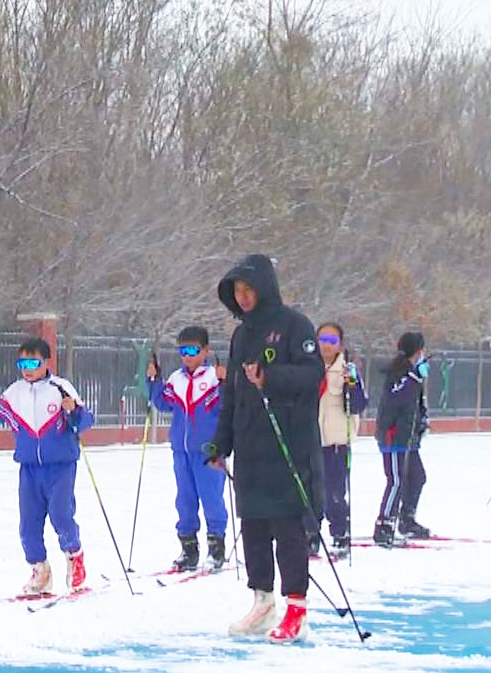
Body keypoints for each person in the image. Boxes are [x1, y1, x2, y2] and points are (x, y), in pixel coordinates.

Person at [203, 254, 324, 643]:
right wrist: (221, 443)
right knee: (253, 527)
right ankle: (263, 601)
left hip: (287, 442)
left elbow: (311, 374)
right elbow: (231, 396)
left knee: (287, 529)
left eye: (248, 289)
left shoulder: (294, 325)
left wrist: (269, 378)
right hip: (251, 447)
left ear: (264, 288)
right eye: (236, 292)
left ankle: (296, 608)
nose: (242, 298)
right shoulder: (241, 335)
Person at [0, 337, 95, 595]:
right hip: (29, 468)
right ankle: (40, 570)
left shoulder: (60, 387)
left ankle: (75, 557)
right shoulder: (15, 392)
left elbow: (85, 420)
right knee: (28, 523)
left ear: (46, 362)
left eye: (33, 362)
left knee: (61, 515)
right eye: (23, 363)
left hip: (60, 465)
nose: (28, 368)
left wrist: (73, 410)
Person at [145, 325, 228, 571]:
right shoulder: (176, 379)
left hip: (208, 451)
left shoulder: (214, 377)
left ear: (206, 351)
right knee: (185, 500)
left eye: (193, 350)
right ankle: (188, 549)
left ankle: (216, 548)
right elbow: (163, 403)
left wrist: (225, 382)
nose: (188, 356)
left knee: (211, 498)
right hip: (181, 451)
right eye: (183, 351)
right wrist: (154, 381)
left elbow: (226, 406)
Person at [374, 332, 432, 547]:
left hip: (409, 437)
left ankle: (406, 519)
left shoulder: (412, 374)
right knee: (396, 480)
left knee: (417, 477)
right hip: (394, 436)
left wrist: (422, 421)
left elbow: (414, 404)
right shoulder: (398, 373)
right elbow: (397, 397)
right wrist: (415, 377)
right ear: (416, 351)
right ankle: (384, 524)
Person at [315, 322, 367, 555]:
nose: (326, 345)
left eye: (332, 341)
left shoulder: (346, 370)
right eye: (322, 339)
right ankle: (311, 534)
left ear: (340, 345)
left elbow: (357, 405)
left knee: (335, 491)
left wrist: (352, 383)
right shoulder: (308, 368)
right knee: (311, 490)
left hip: (337, 441)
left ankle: (340, 533)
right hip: (312, 439)